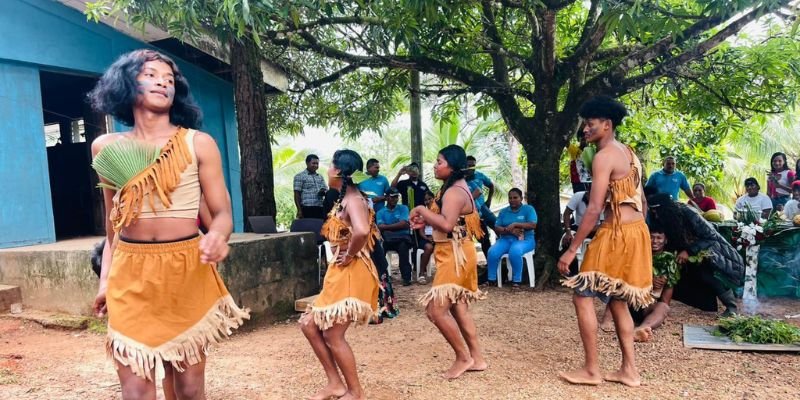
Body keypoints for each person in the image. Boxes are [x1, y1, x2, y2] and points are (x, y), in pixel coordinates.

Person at [88, 49, 249, 399]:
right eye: (150, 74)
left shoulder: (197, 144)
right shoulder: (106, 148)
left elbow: (221, 214)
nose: (163, 81)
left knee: (189, 389)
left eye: (170, 78)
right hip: (130, 274)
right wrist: (104, 282)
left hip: (185, 270)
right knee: (136, 389)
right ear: (126, 83)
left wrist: (219, 236)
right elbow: (112, 225)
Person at [558, 96, 652, 387]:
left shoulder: (604, 156)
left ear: (607, 125)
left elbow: (595, 207)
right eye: (585, 124)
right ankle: (629, 371)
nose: (585, 129)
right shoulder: (629, 153)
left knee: (582, 294)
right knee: (618, 300)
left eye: (590, 124)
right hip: (637, 232)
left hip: (615, 235)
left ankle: (591, 370)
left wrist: (572, 249)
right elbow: (643, 202)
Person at [300, 149, 380, 400]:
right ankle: (335, 383)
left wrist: (350, 254)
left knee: (333, 333)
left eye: (329, 165)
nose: (327, 169)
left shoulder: (353, 200)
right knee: (309, 325)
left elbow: (361, 230)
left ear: (337, 171)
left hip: (352, 272)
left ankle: (355, 392)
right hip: (340, 272)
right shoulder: (345, 197)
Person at [410, 145, 487, 380]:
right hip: (454, 251)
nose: (435, 165)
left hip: (456, 255)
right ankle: (477, 358)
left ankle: (463, 357)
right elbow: (449, 221)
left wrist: (422, 208)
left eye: (439, 161)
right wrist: (425, 221)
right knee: (458, 307)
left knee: (435, 310)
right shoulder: (455, 188)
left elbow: (446, 224)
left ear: (452, 166)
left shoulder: (454, 192)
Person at [648, 193, 745, 316]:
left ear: (665, 209)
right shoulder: (664, 217)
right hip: (683, 253)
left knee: (706, 276)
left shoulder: (687, 213)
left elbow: (711, 237)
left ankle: (731, 307)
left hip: (705, 250)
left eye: (657, 211)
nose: (655, 215)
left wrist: (689, 251)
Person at [599, 226, 677, 341]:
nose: (655, 241)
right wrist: (649, 281)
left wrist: (661, 288)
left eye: (659, 238)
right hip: (629, 302)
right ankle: (607, 319)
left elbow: (666, 300)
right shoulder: (636, 254)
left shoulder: (669, 261)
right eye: (652, 237)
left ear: (666, 240)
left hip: (648, 306)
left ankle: (642, 329)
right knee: (619, 286)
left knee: (664, 307)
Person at [485, 188, 537, 287]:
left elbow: (533, 225)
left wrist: (515, 224)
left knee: (515, 251)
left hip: (525, 240)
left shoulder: (528, 209)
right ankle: (491, 279)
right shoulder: (504, 211)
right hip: (505, 239)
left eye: (515, 197)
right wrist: (508, 230)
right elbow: (496, 227)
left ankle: (516, 280)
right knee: (492, 252)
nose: (512, 200)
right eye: (510, 198)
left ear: (521, 198)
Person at [376, 188, 414, 286]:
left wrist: (387, 228)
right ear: (387, 198)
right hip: (387, 240)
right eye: (392, 197)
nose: (395, 199)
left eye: (396, 197)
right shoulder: (381, 212)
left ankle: (406, 278)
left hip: (402, 239)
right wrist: (397, 225)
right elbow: (380, 227)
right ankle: (381, 276)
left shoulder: (403, 208)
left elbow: (404, 224)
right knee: (379, 250)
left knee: (403, 248)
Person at [465, 156, 496, 260]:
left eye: (473, 165)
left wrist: (489, 200)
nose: (471, 167)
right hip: (471, 213)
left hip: (483, 208)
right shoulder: (460, 180)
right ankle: (490, 263)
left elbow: (491, 185)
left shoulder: (480, 175)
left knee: (497, 226)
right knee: (483, 239)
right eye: (468, 165)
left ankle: (504, 253)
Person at [413, 190, 437, 284]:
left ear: (434, 198)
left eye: (429, 199)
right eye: (425, 200)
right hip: (426, 237)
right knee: (428, 247)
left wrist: (435, 237)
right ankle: (421, 273)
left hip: (438, 237)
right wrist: (427, 238)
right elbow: (421, 231)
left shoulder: (440, 211)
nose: (428, 201)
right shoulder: (423, 213)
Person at [294, 154, 328, 219]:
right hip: (307, 208)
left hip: (320, 207)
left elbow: (325, 189)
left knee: (319, 228)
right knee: (308, 227)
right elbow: (297, 194)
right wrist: (299, 210)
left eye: (317, 164)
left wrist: (323, 191)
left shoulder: (320, 176)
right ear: (307, 163)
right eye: (313, 163)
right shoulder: (299, 176)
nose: (315, 165)